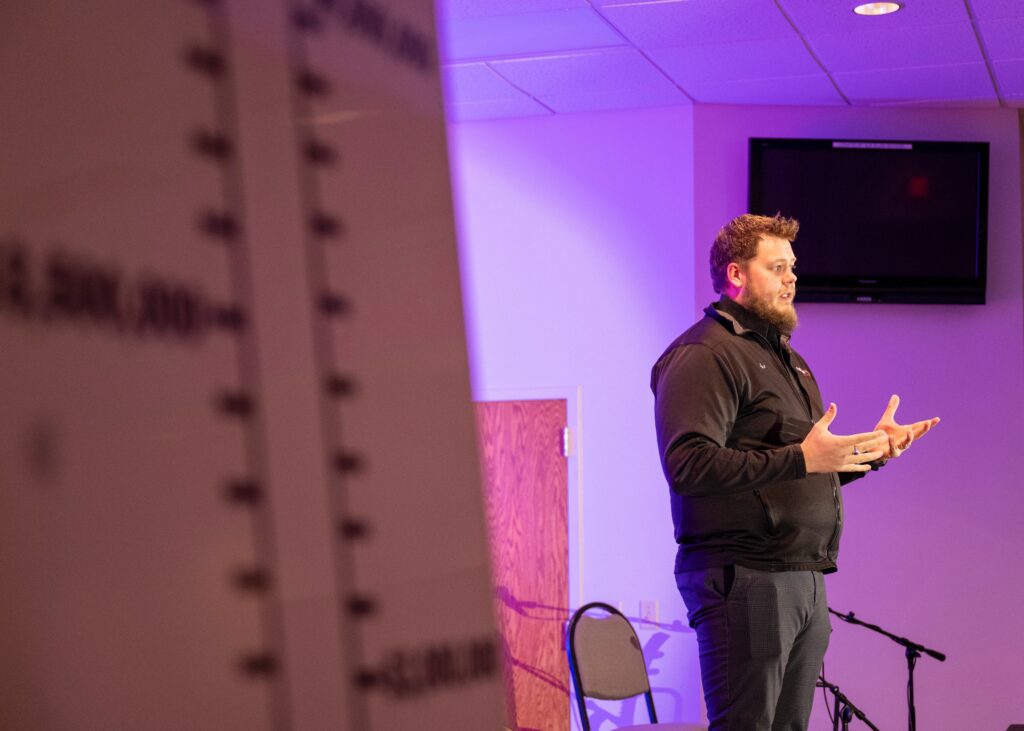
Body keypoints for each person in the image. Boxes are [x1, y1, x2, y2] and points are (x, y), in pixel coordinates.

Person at [650, 214, 938, 731]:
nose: (792, 279)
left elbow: (797, 467)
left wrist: (871, 453)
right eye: (777, 267)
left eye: (793, 268)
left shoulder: (790, 362)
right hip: (744, 576)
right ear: (736, 274)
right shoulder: (703, 355)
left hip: (803, 576)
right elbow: (688, 464)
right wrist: (805, 458)